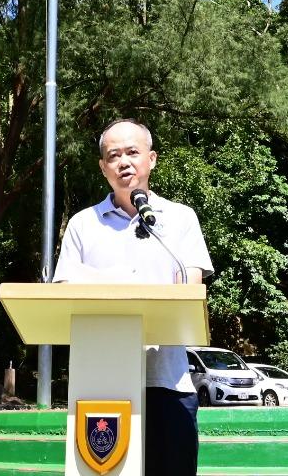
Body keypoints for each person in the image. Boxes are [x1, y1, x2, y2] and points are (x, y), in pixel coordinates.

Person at [54, 119, 213, 476]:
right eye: (114, 155)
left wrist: (99, 283)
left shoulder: (180, 219)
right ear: (103, 167)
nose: (124, 162)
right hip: (100, 385)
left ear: (152, 159)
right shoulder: (83, 224)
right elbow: (64, 292)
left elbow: (190, 289)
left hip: (167, 381)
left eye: (132, 152)